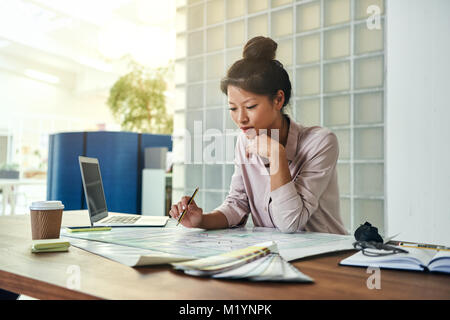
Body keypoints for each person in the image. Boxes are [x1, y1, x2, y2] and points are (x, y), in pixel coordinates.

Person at [169, 36, 347, 235]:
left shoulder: (320, 142)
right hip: (275, 253)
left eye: (250, 107)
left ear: (278, 99)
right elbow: (237, 205)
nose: (240, 119)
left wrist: (276, 154)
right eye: (233, 108)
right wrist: (201, 220)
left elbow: (290, 222)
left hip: (324, 256)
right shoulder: (245, 139)